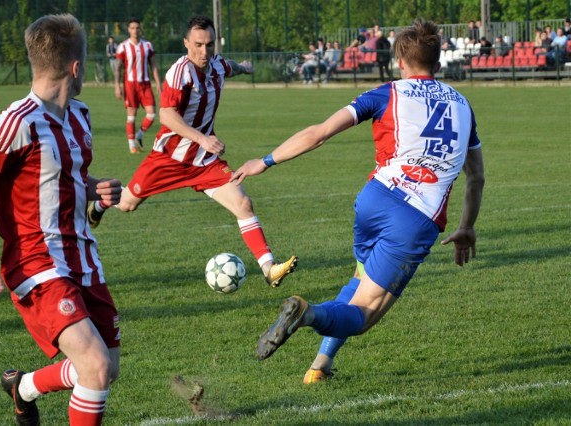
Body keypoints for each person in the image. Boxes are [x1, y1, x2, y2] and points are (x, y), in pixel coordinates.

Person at [231, 18, 485, 384]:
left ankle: (320, 367)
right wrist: (466, 227)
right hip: (415, 218)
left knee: (360, 277)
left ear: (400, 60)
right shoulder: (464, 106)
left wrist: (266, 160)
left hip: (374, 199)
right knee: (363, 316)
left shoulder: (386, 93)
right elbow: (475, 176)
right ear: (439, 60)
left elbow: (318, 134)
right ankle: (307, 314)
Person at [0, 14, 123, 425]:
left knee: (106, 368)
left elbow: (67, 180)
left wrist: (95, 189)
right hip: (36, 261)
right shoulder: (17, 122)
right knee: (95, 368)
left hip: (82, 256)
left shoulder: (80, 115)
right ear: (76, 68)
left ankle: (23, 387)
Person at [87, 15, 298, 288]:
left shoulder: (217, 64)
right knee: (127, 204)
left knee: (243, 203)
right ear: (186, 43)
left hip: (204, 161)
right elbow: (166, 114)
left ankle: (269, 268)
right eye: (198, 44)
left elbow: (229, 66)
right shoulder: (179, 73)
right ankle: (102, 203)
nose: (204, 51)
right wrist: (202, 138)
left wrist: (245, 67)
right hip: (169, 158)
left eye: (209, 45)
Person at [115, 18, 162, 154]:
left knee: (152, 114)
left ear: (140, 29)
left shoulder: (147, 45)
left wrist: (158, 83)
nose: (135, 30)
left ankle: (139, 135)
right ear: (129, 30)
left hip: (145, 84)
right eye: (133, 28)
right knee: (131, 115)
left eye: (137, 28)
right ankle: (132, 146)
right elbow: (118, 68)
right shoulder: (123, 46)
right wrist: (117, 86)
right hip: (130, 85)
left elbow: (153, 66)